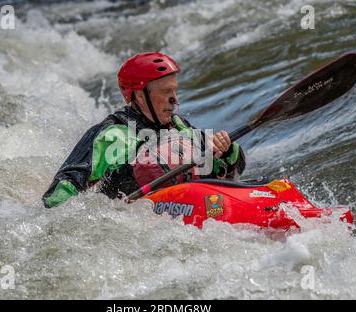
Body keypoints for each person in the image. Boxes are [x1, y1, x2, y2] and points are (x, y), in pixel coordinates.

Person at [42, 52, 245, 208]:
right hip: (135, 223)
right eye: (166, 92)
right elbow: (60, 191)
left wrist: (224, 151)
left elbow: (228, 172)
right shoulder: (113, 135)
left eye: (175, 90)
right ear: (139, 95)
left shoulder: (180, 127)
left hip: (190, 209)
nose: (175, 100)